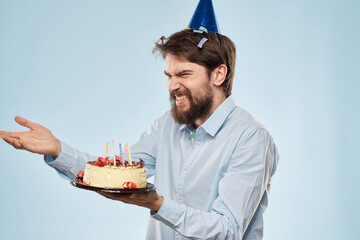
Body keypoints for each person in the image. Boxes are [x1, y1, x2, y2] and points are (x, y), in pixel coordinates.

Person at [0, 1, 279, 239]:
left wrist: (157, 203)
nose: (172, 86)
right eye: (169, 76)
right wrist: (57, 150)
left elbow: (228, 229)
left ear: (218, 74)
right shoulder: (168, 126)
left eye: (183, 75)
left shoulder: (251, 138)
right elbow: (118, 173)